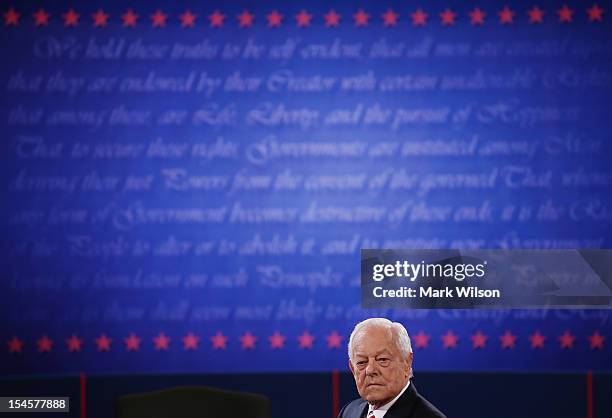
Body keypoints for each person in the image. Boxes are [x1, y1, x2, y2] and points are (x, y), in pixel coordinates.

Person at [339, 318, 446, 418]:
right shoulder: (349, 412)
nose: (370, 370)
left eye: (382, 359)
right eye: (362, 362)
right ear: (353, 369)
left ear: (407, 363)